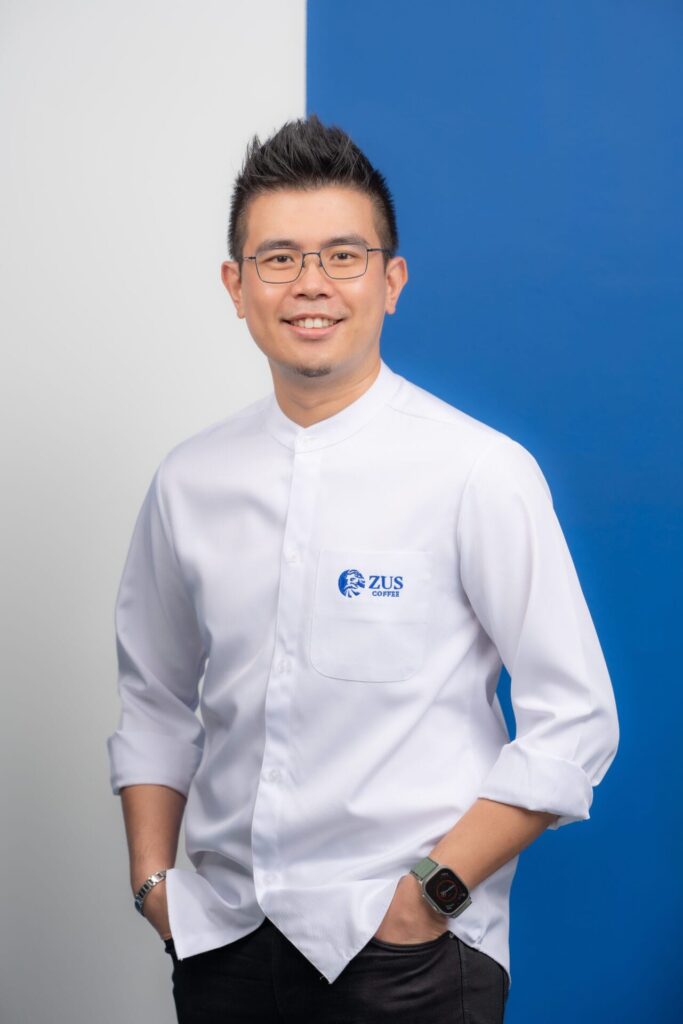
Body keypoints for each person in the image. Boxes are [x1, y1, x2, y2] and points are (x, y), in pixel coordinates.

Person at [107, 114, 619, 1024]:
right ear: (235, 286)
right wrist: (155, 886)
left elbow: (574, 720)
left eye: (343, 256)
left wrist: (431, 895)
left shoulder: (477, 471)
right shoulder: (189, 481)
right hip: (224, 943)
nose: (311, 284)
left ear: (391, 281)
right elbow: (154, 700)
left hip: (406, 957)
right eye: (277, 259)